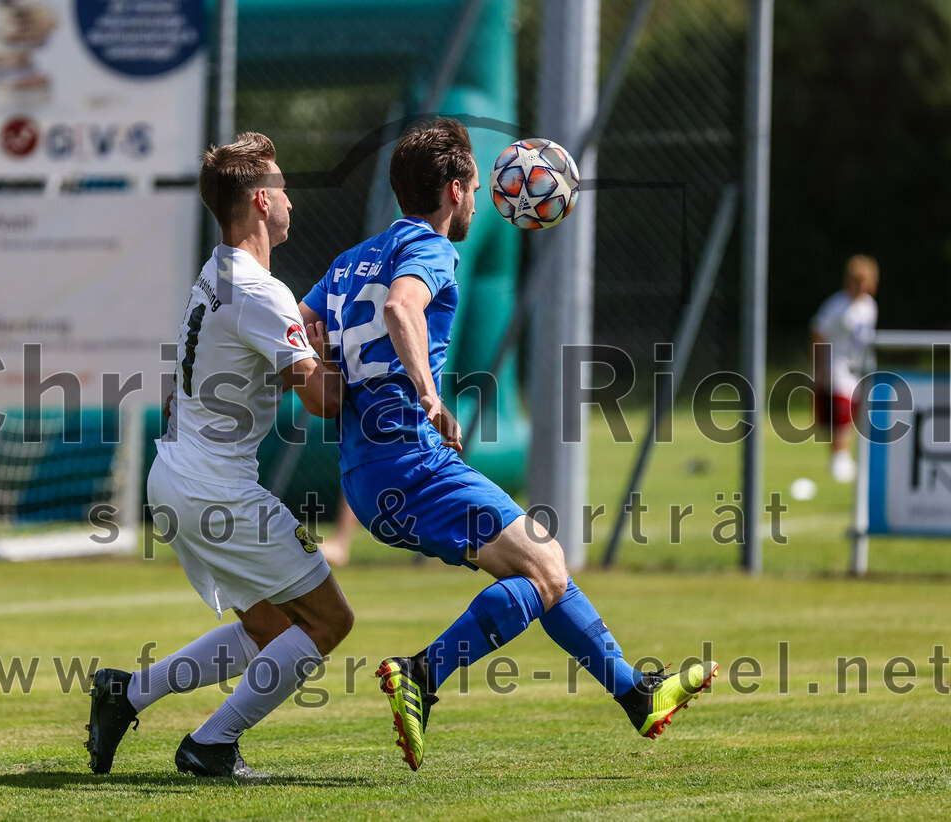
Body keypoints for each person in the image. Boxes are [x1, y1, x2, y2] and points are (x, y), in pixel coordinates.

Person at [299, 118, 716, 772]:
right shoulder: (430, 250)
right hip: (415, 463)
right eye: (473, 191)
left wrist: (326, 381)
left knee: (542, 570)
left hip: (363, 478)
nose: (475, 202)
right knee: (543, 567)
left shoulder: (349, 261)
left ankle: (637, 695)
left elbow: (304, 320)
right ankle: (422, 675)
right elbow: (403, 310)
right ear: (459, 189)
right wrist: (428, 394)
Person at [85, 132, 353, 778]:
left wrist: (308, 351)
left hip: (175, 480)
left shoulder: (214, 274)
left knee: (267, 627)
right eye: (283, 187)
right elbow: (322, 401)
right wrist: (356, 365)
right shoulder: (263, 293)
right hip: (215, 490)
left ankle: (129, 692)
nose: (291, 199)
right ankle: (210, 744)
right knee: (327, 621)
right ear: (262, 201)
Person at [811, 255, 879, 482]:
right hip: (836, 366)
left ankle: (849, 457)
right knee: (840, 413)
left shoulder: (869, 306)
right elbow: (818, 332)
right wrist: (820, 365)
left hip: (858, 368)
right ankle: (838, 459)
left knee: (857, 414)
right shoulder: (837, 305)